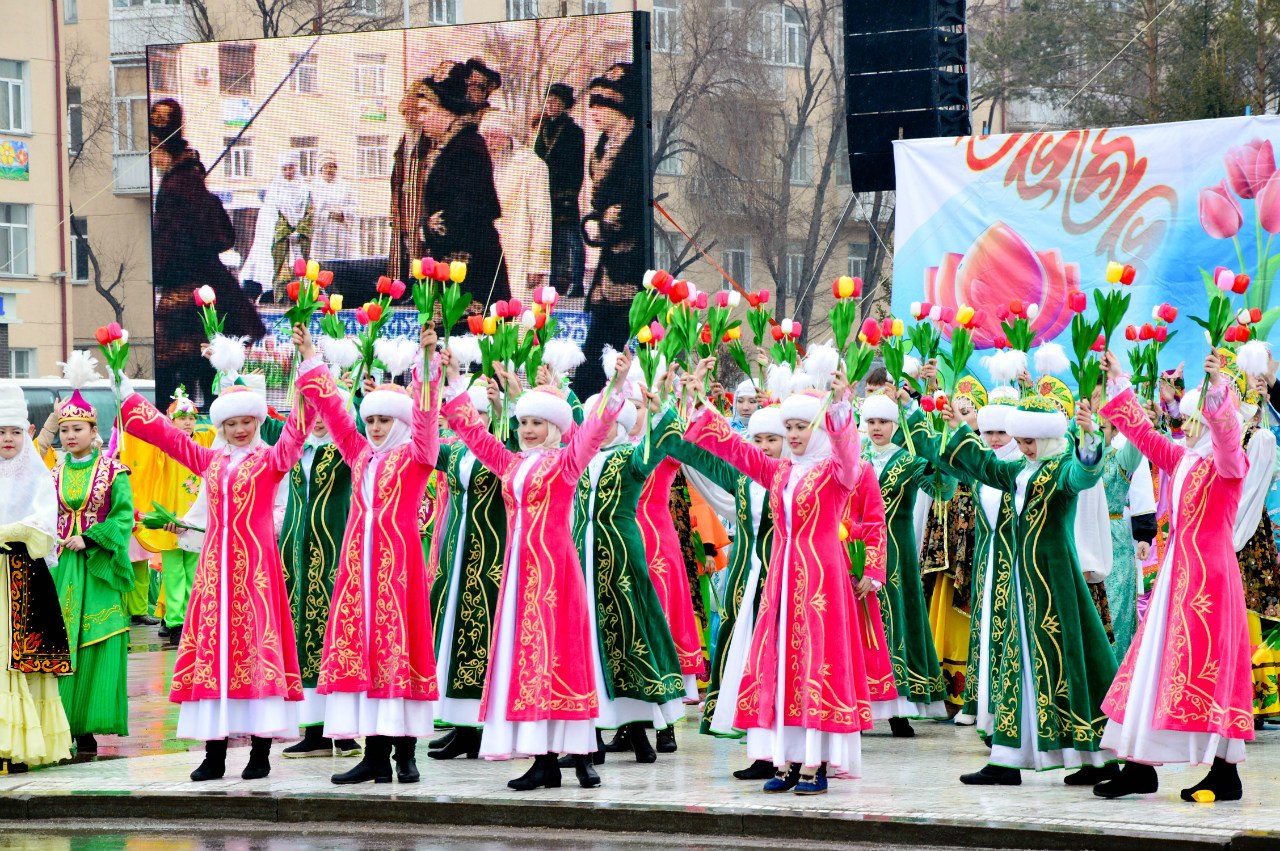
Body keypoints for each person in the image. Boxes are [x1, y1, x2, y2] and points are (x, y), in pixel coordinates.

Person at [438, 350, 632, 790]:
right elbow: (472, 433)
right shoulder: (510, 463)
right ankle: (545, 758)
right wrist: (451, 380)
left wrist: (615, 388)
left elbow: (593, 431)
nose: (527, 430)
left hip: (556, 572)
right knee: (527, 661)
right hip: (520, 575)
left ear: (556, 428)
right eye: (523, 423)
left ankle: (575, 755)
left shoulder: (565, 463)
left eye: (536, 423)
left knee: (561, 657)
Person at [909, 389, 1117, 785]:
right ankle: (1007, 758)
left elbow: (1083, 474)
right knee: (1016, 665)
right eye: (1020, 441)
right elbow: (981, 463)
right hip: (1019, 585)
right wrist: (948, 429)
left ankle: (1094, 758)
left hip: (1053, 586)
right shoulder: (1016, 471)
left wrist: (1090, 441)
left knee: (1070, 665)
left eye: (1029, 441)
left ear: (1048, 438)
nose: (1023, 448)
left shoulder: (1059, 469)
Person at [120, 372, 310, 782]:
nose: (239, 430)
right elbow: (168, 438)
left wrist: (311, 372)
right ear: (220, 427)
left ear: (258, 422)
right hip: (216, 573)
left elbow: (297, 434)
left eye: (247, 422)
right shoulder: (211, 461)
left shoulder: (272, 459)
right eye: (230, 424)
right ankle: (214, 754)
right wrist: (127, 395)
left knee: (257, 653)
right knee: (215, 656)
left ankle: (260, 752)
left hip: (257, 574)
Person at [1092, 352, 1253, 802]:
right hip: (1175, 580)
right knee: (1149, 666)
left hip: (1210, 583)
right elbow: (1142, 434)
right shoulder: (1183, 460)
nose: (1191, 424)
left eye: (1198, 416)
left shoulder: (1229, 464)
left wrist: (1218, 388)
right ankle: (1139, 765)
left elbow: (1226, 439)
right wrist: (1118, 380)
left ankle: (1225, 773)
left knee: (1209, 673)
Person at [293, 324, 442, 785]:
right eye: (372, 420)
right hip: (358, 579)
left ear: (399, 421)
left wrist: (428, 365)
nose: (375, 427)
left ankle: (406, 756)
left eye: (384, 420)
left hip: (399, 577)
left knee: (401, 657)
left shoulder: (416, 458)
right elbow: (336, 413)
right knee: (369, 663)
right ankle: (375, 756)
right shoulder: (358, 455)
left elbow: (427, 425)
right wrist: (310, 357)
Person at [568, 386, 687, 768]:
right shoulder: (578, 461)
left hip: (619, 555)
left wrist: (659, 412)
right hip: (581, 557)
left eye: (606, 425)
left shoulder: (627, 459)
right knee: (589, 643)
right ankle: (599, 738)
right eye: (593, 426)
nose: (599, 432)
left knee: (625, 636)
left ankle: (637, 734)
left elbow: (656, 447)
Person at [149, 99, 265, 408]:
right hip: (199, 286)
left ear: (160, 145)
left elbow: (180, 240)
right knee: (199, 368)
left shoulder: (179, 183)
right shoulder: (185, 179)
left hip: (187, 290)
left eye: (152, 146)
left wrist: (159, 268)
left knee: (182, 371)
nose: (151, 158)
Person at [50, 386, 135, 757]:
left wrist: (90, 538)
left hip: (98, 568)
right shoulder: (53, 472)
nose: (70, 436)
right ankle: (60, 726)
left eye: (77, 429)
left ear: (93, 430)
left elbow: (123, 516)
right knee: (60, 644)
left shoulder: (113, 470)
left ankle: (87, 730)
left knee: (98, 640)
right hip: (62, 569)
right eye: (65, 430)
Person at [425, 381, 507, 762]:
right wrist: (426, 386)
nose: (473, 421)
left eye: (482, 415)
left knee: (482, 633)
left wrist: (510, 401)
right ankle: (460, 725)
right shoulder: (454, 449)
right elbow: (422, 444)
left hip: (489, 556)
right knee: (453, 634)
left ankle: (478, 726)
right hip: (453, 554)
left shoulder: (503, 451)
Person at [277, 393, 360, 761]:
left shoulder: (347, 453)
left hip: (335, 556)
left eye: (329, 414)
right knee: (300, 638)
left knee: (336, 638)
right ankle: (313, 730)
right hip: (296, 559)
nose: (321, 420)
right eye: (314, 413)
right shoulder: (296, 449)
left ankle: (343, 732)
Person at [0, 383, 72, 771]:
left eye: (14, 430)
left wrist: (11, 532)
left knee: (18, 660)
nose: (7, 439)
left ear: (25, 431)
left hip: (21, 575)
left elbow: (46, 522)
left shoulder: (37, 472)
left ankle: (21, 747)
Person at [123, 388, 216, 648]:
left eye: (191, 417)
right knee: (175, 573)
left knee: (195, 572)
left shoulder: (205, 443)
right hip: (172, 521)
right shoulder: (166, 446)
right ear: (170, 421)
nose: (187, 422)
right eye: (181, 417)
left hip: (198, 521)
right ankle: (176, 624)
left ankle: (191, 621)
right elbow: (143, 446)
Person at [575, 65, 644, 399]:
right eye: (592, 105)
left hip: (634, 269)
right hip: (607, 270)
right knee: (595, 351)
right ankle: (587, 407)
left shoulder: (637, 148)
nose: (595, 113)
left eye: (603, 105)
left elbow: (630, 208)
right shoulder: (600, 149)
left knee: (623, 350)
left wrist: (609, 221)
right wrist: (598, 223)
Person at [419, 75, 510, 309]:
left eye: (425, 111)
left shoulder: (468, 146)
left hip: (472, 263)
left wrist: (432, 227)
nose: (421, 119)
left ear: (444, 110)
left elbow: (471, 206)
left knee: (468, 339)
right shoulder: (450, 146)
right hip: (451, 262)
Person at [487, 113, 552, 302]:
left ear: (508, 135)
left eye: (495, 136)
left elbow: (541, 216)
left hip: (521, 250)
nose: (490, 142)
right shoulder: (482, 163)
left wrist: (538, 264)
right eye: (487, 137)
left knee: (520, 317)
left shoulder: (531, 164)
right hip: (490, 252)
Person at [534, 84, 585, 298]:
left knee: (572, 238)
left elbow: (577, 167)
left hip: (565, 195)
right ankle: (554, 282)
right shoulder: (543, 129)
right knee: (553, 240)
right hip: (545, 193)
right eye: (549, 101)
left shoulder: (574, 132)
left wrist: (570, 193)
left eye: (556, 101)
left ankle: (577, 282)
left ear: (565, 105)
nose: (551, 105)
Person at [241, 152, 313, 302]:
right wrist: (283, 232)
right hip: (279, 239)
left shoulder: (305, 190)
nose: (288, 172)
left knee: (301, 274)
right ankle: (277, 299)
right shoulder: (274, 190)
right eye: (285, 169)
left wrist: (299, 231)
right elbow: (269, 217)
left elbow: (309, 213)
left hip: (298, 239)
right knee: (278, 272)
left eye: (291, 168)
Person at [389, 79, 433, 282]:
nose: (409, 118)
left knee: (421, 248)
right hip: (404, 205)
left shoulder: (428, 139)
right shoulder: (405, 139)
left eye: (412, 113)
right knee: (403, 246)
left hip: (421, 204)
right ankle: (403, 284)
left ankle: (419, 284)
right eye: (405, 114)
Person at [311, 153, 355, 262]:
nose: (330, 170)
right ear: (321, 169)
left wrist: (343, 214)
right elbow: (311, 211)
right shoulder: (313, 188)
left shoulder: (345, 186)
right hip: (322, 230)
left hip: (341, 230)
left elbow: (353, 207)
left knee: (341, 261)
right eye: (327, 167)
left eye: (333, 167)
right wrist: (329, 214)